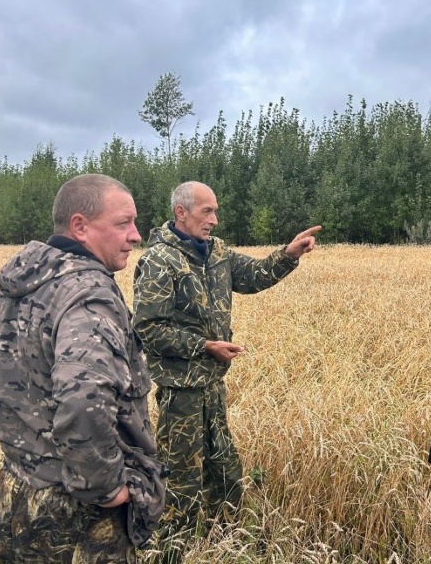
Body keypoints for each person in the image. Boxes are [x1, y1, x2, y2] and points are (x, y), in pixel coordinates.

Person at [0, 173, 167, 563]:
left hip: (16, 491)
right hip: (79, 510)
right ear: (80, 227)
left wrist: (27, 439)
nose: (136, 235)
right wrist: (105, 487)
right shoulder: (90, 294)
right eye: (123, 223)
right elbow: (83, 400)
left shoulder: (21, 283)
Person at [133, 181, 320, 559]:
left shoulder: (216, 253)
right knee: (181, 481)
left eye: (216, 211)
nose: (215, 220)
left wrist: (288, 254)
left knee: (223, 468)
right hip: (180, 392)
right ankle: (173, 552)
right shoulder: (158, 260)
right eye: (207, 211)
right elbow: (148, 329)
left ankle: (227, 546)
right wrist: (204, 346)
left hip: (213, 385)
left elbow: (252, 275)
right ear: (181, 212)